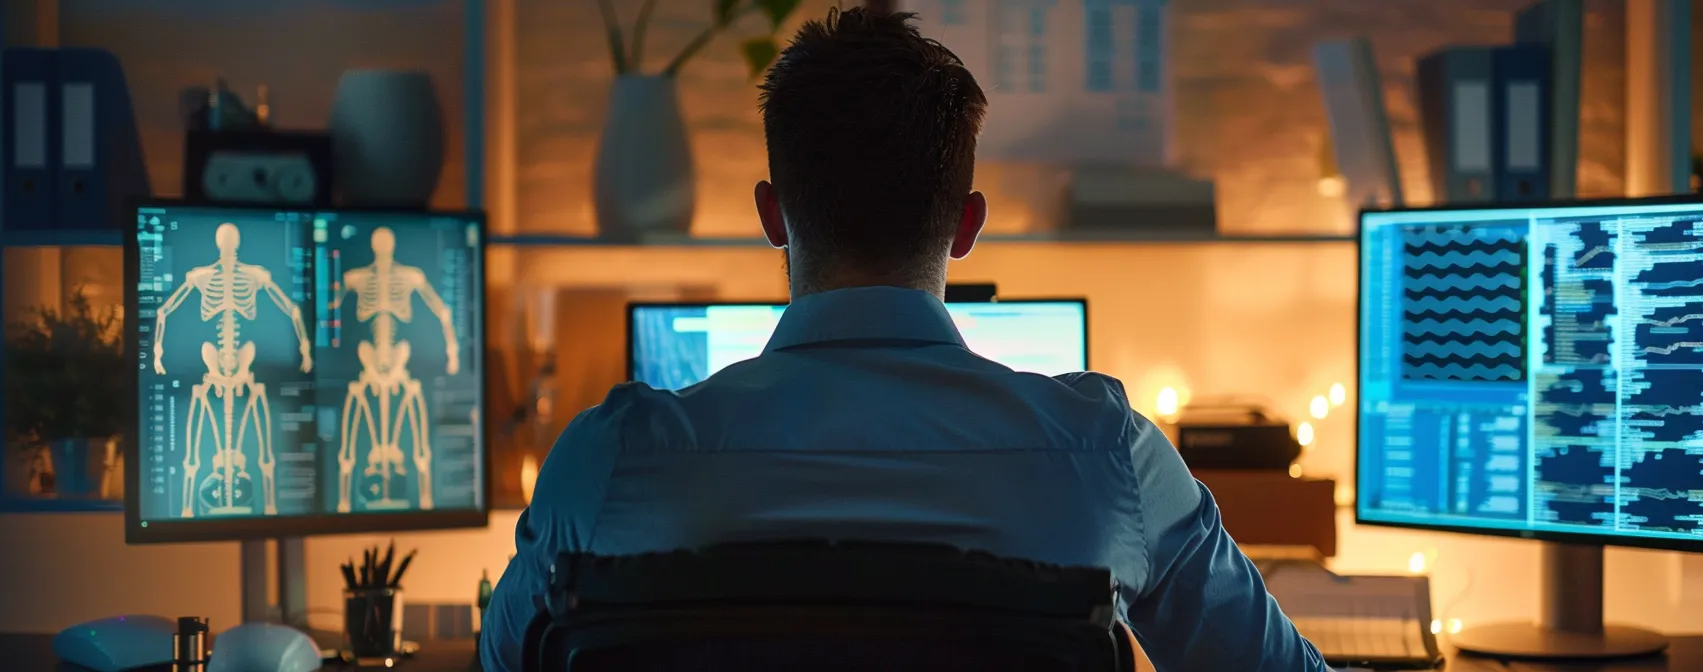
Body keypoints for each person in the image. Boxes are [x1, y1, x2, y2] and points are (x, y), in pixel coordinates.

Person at [479, 8, 1326, 671]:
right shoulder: (1109, 455)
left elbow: (501, 660)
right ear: (967, 226)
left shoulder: (613, 459)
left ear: (773, 216)